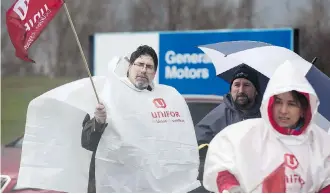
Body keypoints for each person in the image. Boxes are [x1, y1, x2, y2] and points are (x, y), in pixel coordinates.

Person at [81, 45, 200, 193]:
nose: (144, 70)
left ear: (154, 73)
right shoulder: (107, 94)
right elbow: (87, 143)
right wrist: (98, 122)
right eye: (140, 64)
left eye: (149, 67)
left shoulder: (167, 99)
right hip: (112, 185)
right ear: (130, 66)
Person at [203, 60, 330, 193]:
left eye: (291, 104)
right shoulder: (245, 134)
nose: (283, 110)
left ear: (304, 109)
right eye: (278, 102)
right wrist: (231, 188)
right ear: (269, 103)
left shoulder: (320, 143)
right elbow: (220, 164)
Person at [193, 64, 262, 192]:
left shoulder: (265, 116)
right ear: (231, 89)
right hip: (227, 184)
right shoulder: (219, 115)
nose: (241, 90)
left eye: (246, 85)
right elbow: (198, 143)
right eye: (237, 85)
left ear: (256, 90)